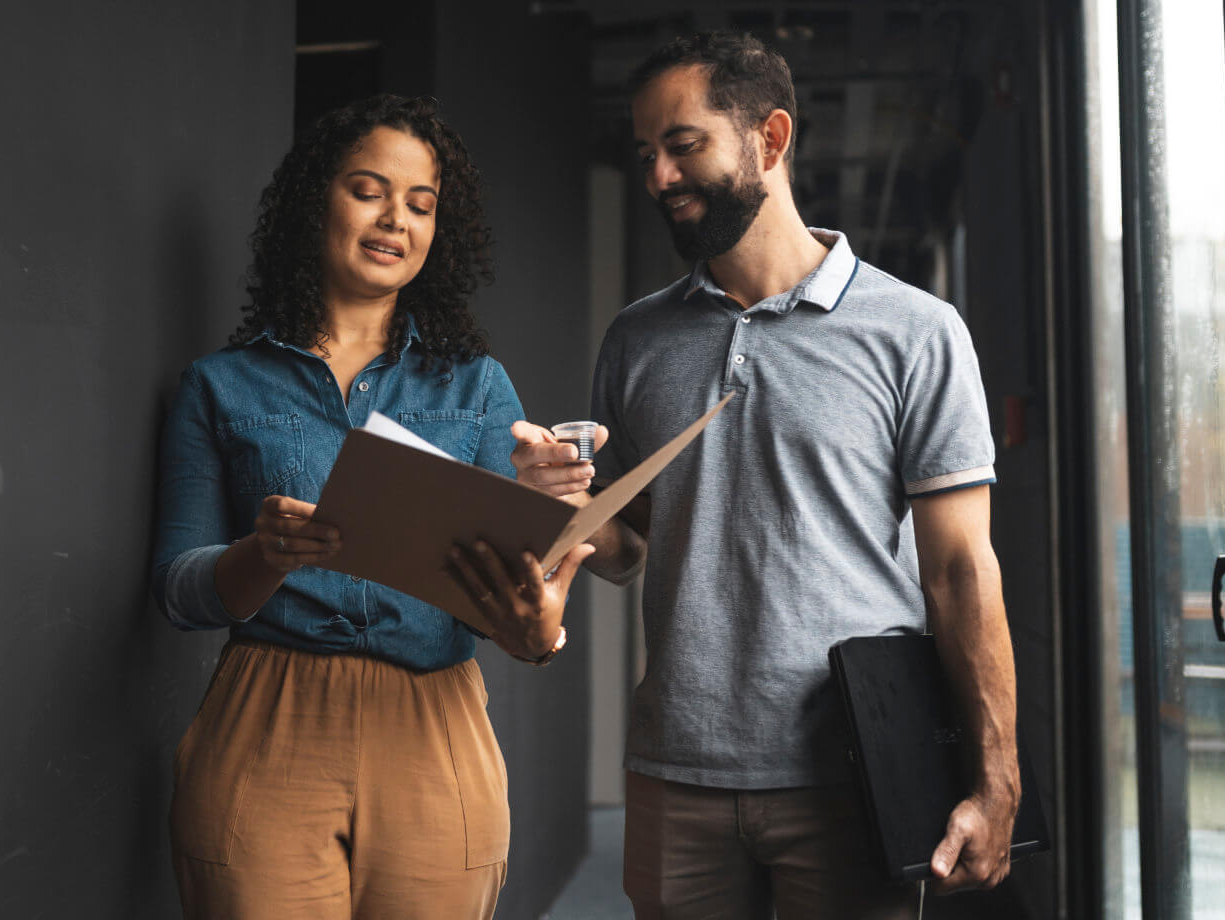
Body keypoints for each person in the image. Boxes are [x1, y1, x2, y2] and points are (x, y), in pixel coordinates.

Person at [511, 32, 1020, 919]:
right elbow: (631, 545)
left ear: (770, 140)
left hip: (855, 768)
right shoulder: (637, 338)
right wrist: (558, 503)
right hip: (675, 770)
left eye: (683, 145)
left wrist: (996, 772)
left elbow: (960, 571)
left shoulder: (917, 331)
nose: (659, 177)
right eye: (644, 155)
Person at [150, 94, 593, 920]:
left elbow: (509, 591)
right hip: (265, 722)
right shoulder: (220, 385)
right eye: (369, 190)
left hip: (435, 725)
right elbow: (179, 589)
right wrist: (263, 554)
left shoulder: (477, 386)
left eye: (422, 204)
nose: (397, 219)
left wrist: (541, 622)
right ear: (316, 197)